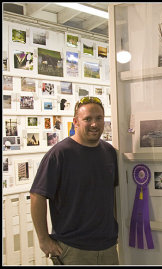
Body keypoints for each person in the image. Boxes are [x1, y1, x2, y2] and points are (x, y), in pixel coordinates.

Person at [30, 96, 119, 265]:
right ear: (76, 122)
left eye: (99, 118)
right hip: (73, 250)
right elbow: (37, 196)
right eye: (87, 119)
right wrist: (43, 239)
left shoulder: (109, 152)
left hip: (108, 247)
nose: (94, 124)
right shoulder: (59, 154)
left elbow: (113, 194)